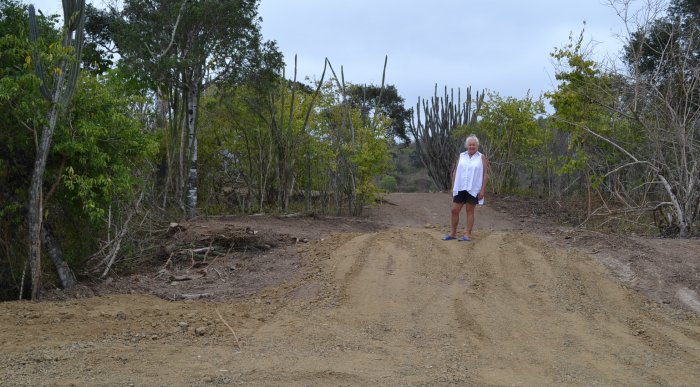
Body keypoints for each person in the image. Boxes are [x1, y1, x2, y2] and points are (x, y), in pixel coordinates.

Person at [443, 134, 488, 241]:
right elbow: (455, 171)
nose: (472, 146)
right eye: (470, 145)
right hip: (460, 186)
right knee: (454, 210)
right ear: (467, 145)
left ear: (477, 146)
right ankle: (453, 233)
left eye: (474, 145)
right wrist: (453, 186)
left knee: (470, 210)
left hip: (473, 188)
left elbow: (485, 174)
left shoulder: (481, 157)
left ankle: (468, 234)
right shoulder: (461, 156)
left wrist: (482, 190)